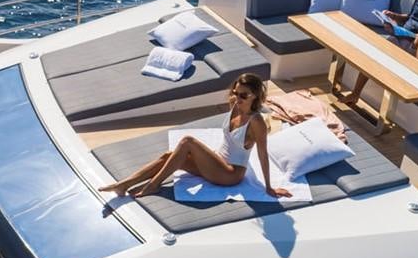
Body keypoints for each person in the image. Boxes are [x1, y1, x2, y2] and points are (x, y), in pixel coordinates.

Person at [99, 72, 292, 199]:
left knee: (188, 142)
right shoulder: (234, 104)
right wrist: (237, 99)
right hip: (217, 162)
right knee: (169, 156)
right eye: (236, 92)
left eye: (243, 95)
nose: (237, 97)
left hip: (230, 174)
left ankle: (153, 185)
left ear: (255, 97)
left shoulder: (256, 122)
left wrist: (268, 187)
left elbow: (262, 154)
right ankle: (123, 185)